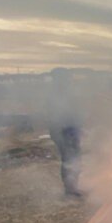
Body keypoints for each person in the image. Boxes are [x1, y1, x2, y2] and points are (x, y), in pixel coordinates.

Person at [47, 68, 84, 198]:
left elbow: (76, 111)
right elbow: (55, 114)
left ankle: (73, 187)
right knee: (69, 158)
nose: (70, 80)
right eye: (67, 78)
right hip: (62, 130)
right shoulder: (55, 95)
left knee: (75, 157)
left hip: (72, 129)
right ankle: (70, 190)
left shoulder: (68, 92)